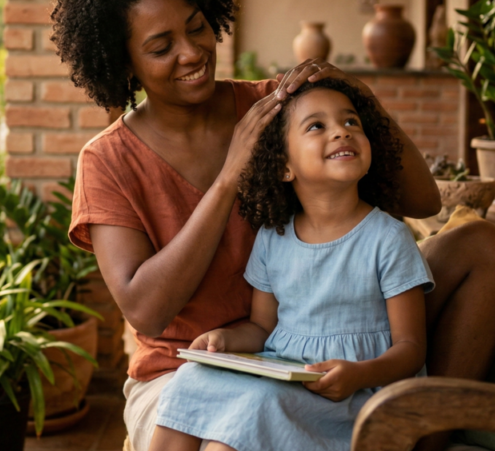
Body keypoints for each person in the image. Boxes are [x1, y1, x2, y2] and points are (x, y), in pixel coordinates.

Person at [54, 0, 495, 451]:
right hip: (192, 363)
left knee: (484, 245)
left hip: (322, 333)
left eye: (197, 26)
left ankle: (425, 427)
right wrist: (230, 175)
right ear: (125, 63)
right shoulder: (108, 160)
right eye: (161, 47)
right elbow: (146, 310)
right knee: (218, 433)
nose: (192, 53)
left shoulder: (280, 106)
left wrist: (353, 90)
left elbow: (422, 199)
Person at [151, 78, 433, 451]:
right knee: (189, 379)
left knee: (249, 415)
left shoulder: (388, 237)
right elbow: (261, 327)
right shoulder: (274, 237)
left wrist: (358, 374)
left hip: (354, 398)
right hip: (285, 377)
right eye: (317, 126)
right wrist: (225, 339)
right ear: (284, 167)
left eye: (352, 123)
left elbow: (411, 349)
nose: (341, 133)